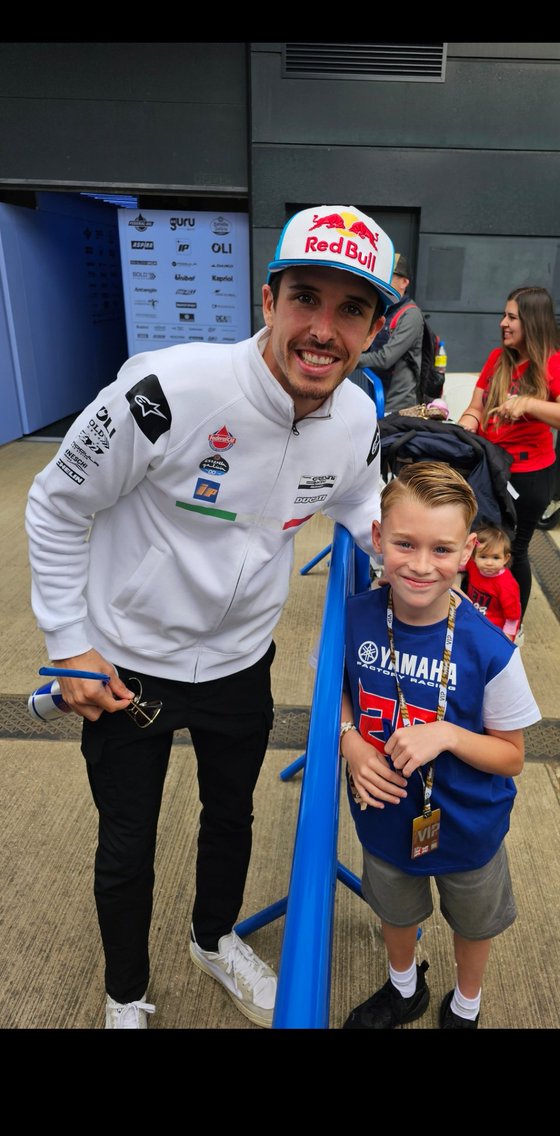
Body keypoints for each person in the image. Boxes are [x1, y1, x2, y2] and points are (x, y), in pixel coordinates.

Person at [25, 203, 401, 1030]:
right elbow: (54, 503)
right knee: (128, 848)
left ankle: (213, 937)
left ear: (377, 326)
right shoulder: (170, 387)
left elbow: (366, 510)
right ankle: (126, 997)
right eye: (306, 297)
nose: (323, 330)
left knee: (232, 813)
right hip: (130, 660)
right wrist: (70, 645)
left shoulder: (357, 419)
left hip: (241, 660)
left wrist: (424, 569)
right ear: (267, 300)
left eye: (352, 310)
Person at [339, 462, 540, 1030]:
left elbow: (513, 755)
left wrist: (449, 734)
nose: (422, 565)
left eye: (442, 549)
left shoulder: (490, 649)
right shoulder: (353, 618)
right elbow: (338, 690)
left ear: (469, 550)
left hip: (468, 825)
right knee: (394, 910)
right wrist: (348, 739)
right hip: (383, 813)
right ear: (378, 539)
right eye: (404, 543)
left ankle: (466, 1003)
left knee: (473, 923)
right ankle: (405, 988)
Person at [457, 286, 560, 626]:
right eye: (504, 315)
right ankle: (474, 617)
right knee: (479, 545)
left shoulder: (553, 363)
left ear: (532, 321)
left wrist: (529, 403)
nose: (503, 323)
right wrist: (466, 423)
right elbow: (476, 405)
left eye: (512, 317)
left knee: (513, 552)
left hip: (529, 476)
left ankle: (510, 629)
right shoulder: (497, 359)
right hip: (489, 468)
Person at [353, 252, 424, 413]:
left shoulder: (411, 315)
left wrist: (349, 357)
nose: (382, 281)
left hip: (397, 407)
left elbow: (386, 358)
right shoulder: (385, 309)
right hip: (374, 397)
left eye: (389, 276)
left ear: (404, 282)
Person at [463, 524, 521, 640]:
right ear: (474, 557)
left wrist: (507, 639)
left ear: (506, 558)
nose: (489, 563)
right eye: (483, 557)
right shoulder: (473, 566)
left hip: (493, 630)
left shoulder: (507, 585)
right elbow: (459, 565)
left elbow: (512, 617)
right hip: (473, 621)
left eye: (495, 558)